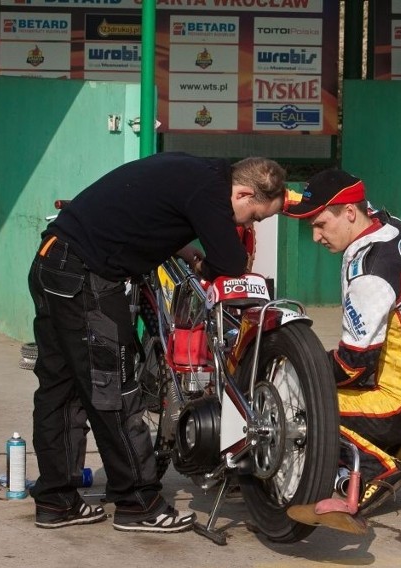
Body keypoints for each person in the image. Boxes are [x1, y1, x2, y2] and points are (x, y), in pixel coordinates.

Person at [28, 152, 286, 533]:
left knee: (61, 390)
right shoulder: (211, 190)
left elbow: (150, 216)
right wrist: (202, 266)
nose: (250, 223)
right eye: (255, 216)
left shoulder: (201, 171)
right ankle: (139, 503)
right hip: (86, 279)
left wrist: (181, 248)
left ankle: (56, 499)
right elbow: (231, 262)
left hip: (54, 263)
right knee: (113, 390)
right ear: (245, 193)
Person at [283, 169, 401, 522]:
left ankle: (373, 471)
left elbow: (354, 365)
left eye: (320, 224)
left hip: (393, 402)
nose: (316, 236)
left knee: (302, 404)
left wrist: (298, 371)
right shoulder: (389, 226)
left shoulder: (369, 270)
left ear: (350, 212)